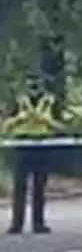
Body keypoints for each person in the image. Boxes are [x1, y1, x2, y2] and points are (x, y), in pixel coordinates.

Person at [3, 80, 61, 234]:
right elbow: (5, 125)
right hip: (22, 145)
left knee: (39, 187)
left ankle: (38, 224)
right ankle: (16, 224)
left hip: (42, 145)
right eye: (31, 85)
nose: (34, 88)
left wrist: (47, 121)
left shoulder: (50, 101)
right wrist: (18, 119)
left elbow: (62, 126)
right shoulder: (18, 101)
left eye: (36, 85)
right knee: (19, 187)